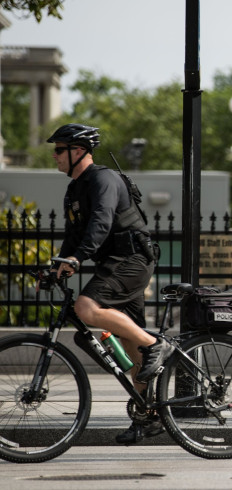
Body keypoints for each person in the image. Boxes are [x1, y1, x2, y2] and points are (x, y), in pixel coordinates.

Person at [47, 123, 173, 444]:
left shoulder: (103, 179)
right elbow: (74, 235)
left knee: (86, 307)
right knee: (129, 343)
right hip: (114, 262)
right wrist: (60, 265)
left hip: (131, 260)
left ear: (79, 152)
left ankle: (157, 344)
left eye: (60, 150)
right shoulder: (75, 189)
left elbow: (101, 222)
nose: (55, 156)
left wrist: (79, 258)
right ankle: (148, 414)